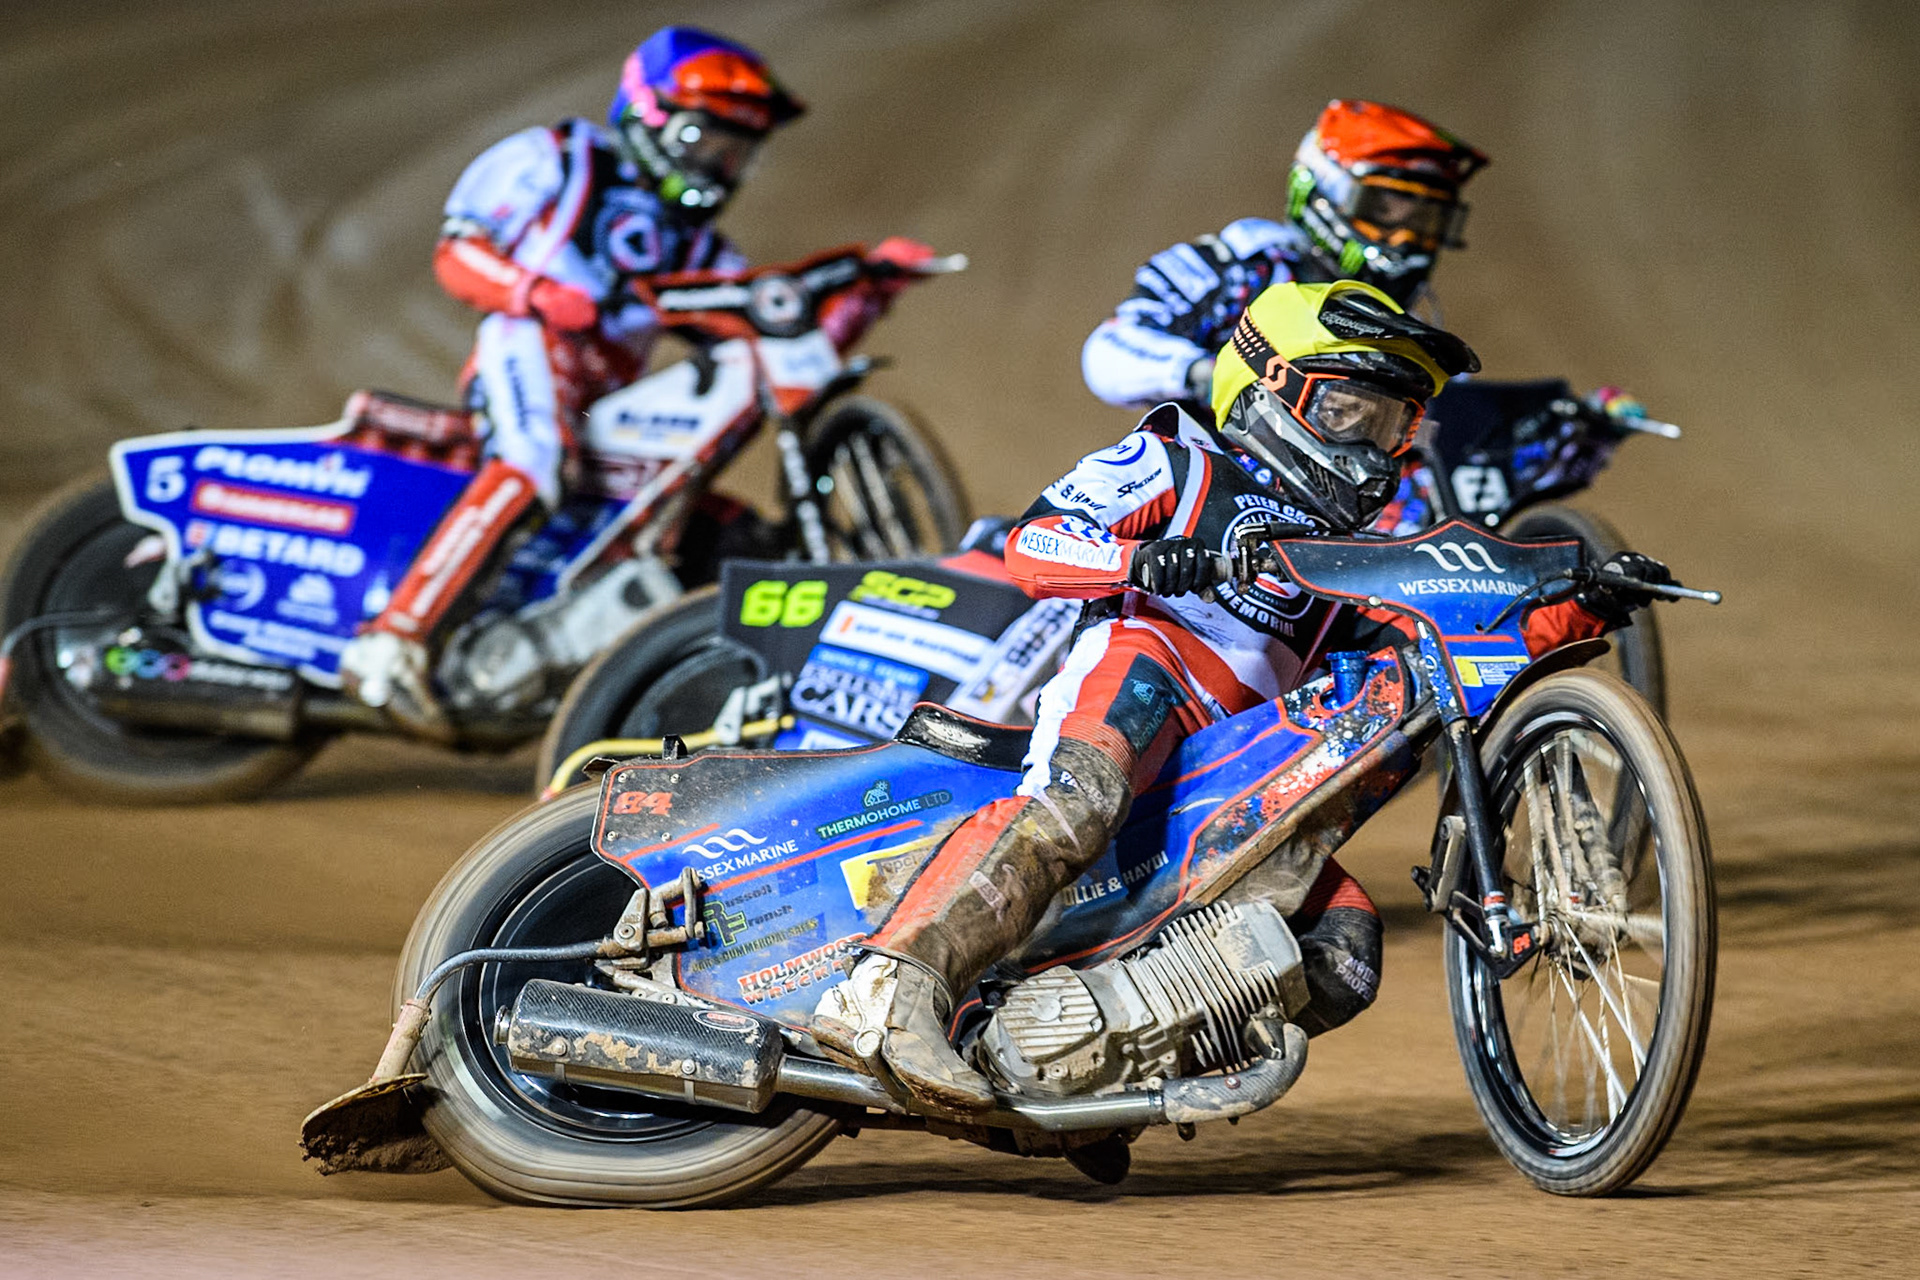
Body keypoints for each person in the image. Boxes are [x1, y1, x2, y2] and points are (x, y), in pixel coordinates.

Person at [813, 280, 1669, 1112]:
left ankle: (1067, 1063)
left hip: (1241, 764)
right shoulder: (1176, 461)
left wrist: (1583, 604)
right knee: (1078, 798)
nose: (1373, 448)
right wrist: (1137, 560)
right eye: (1349, 413)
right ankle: (885, 995)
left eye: (1392, 423)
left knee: (1345, 949)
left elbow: (1457, 645)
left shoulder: (1356, 553)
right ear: (1271, 387)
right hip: (1148, 670)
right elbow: (1034, 544)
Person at [337, 26, 803, 730]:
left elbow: (755, 321)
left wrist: (861, 289)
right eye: (701, 139)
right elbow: (458, 252)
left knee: (717, 533)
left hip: (609, 402)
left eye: (735, 150)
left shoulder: (703, 247)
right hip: (529, 345)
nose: (717, 164)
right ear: (649, 114)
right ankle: (391, 641)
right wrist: (535, 293)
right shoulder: (554, 159)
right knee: (535, 458)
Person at [1080, 98, 1486, 418]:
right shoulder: (1241, 268)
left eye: (1428, 218)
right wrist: (1210, 374)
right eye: (1386, 209)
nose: (1408, 237)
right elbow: (1107, 353)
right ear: (1323, 190)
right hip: (1213, 481)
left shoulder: (1405, 323)